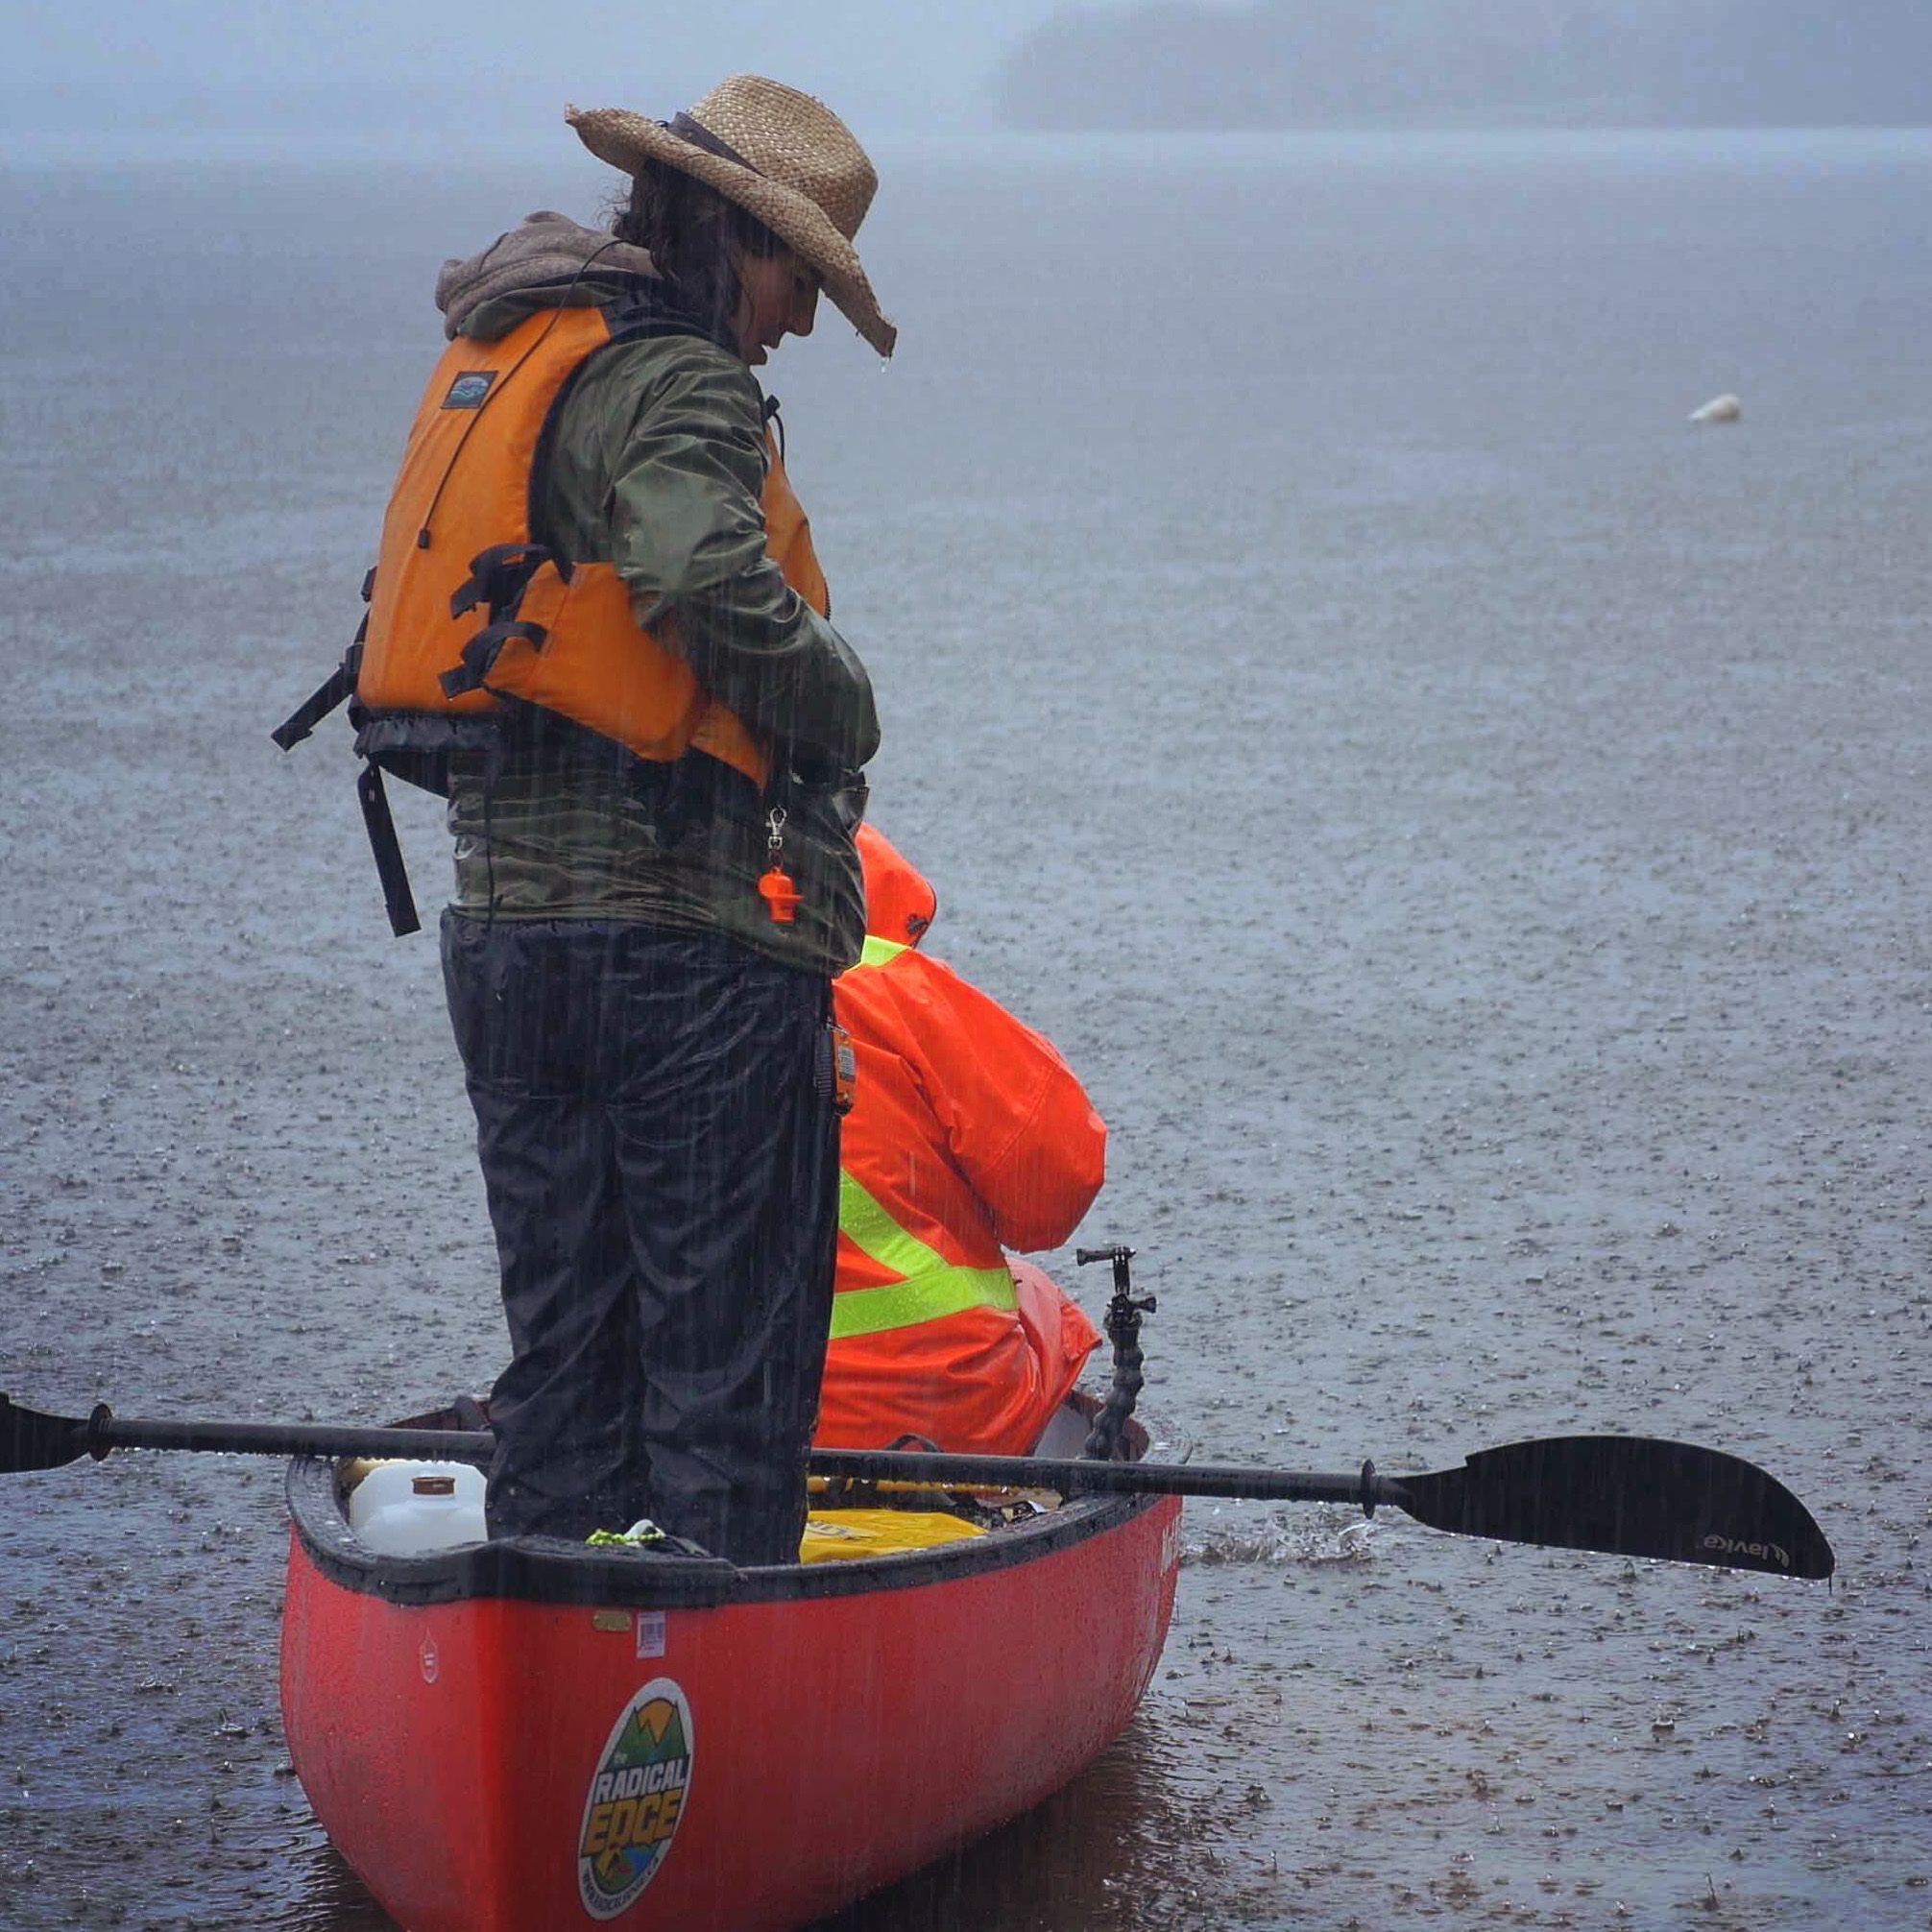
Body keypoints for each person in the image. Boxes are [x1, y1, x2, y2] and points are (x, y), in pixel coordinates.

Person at [295, 78, 894, 1563]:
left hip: (510, 950)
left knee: (561, 1369)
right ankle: (729, 1735)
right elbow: (698, 580)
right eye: (795, 276)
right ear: (728, 230)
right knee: (726, 1385)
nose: (801, 322)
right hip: (684, 957)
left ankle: (562, 1697)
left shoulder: (530, 349)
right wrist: (845, 696)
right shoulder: (681, 377)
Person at [816, 825, 1106, 1457]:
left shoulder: (662, 988)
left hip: (718, 1408)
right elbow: (1054, 1183)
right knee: (1039, 1301)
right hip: (932, 1406)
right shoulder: (892, 987)